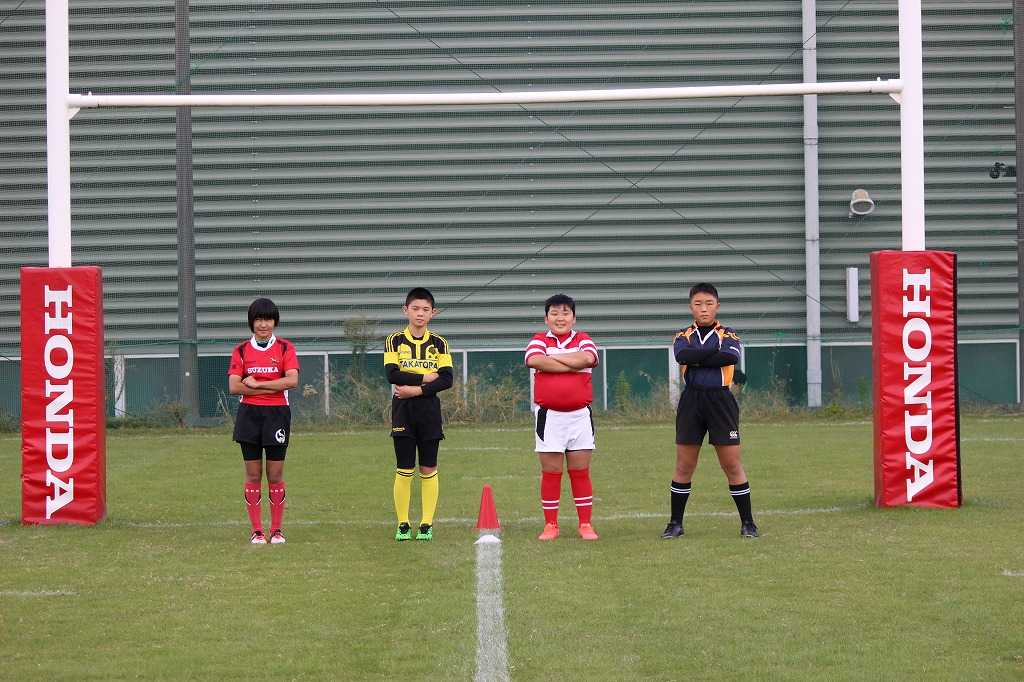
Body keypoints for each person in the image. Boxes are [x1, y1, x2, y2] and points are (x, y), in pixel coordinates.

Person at [663, 283, 758, 539]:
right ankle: (675, 524)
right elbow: (682, 356)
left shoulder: (729, 334)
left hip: (721, 400)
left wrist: (697, 358)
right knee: (684, 465)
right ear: (690, 307)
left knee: (731, 464)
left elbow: (730, 357)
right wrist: (711, 353)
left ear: (717, 306)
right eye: (698, 304)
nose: (703, 309)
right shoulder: (682, 335)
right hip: (691, 401)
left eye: (709, 304)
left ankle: (748, 523)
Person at [524, 293, 600, 541]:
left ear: (574, 318)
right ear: (546, 319)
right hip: (550, 417)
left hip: (580, 416)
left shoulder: (583, 339)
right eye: (554, 313)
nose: (560, 318)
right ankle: (551, 525)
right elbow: (534, 360)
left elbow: (588, 358)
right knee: (551, 471)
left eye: (565, 313)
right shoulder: (538, 340)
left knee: (580, 470)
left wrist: (552, 358)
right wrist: (572, 363)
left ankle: (585, 524)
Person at [228, 298, 300, 545]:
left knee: (275, 474)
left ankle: (276, 530)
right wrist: (272, 387)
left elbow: (292, 381)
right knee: (253, 474)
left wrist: (257, 385)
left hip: (277, 414)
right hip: (249, 415)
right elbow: (234, 386)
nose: (263, 325)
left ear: (275, 322)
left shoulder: (285, 348)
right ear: (251, 322)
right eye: (258, 319)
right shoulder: (240, 350)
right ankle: (257, 531)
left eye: (268, 319)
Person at [384, 287, 453, 542]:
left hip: (429, 412)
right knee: (404, 467)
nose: (420, 314)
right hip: (403, 411)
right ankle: (403, 524)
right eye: (415, 309)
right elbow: (392, 374)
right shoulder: (394, 340)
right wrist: (426, 377)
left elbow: (446, 379)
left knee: (428, 467)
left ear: (433, 313)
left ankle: (426, 524)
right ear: (406, 310)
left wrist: (416, 389)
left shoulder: (439, 343)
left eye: (425, 309)